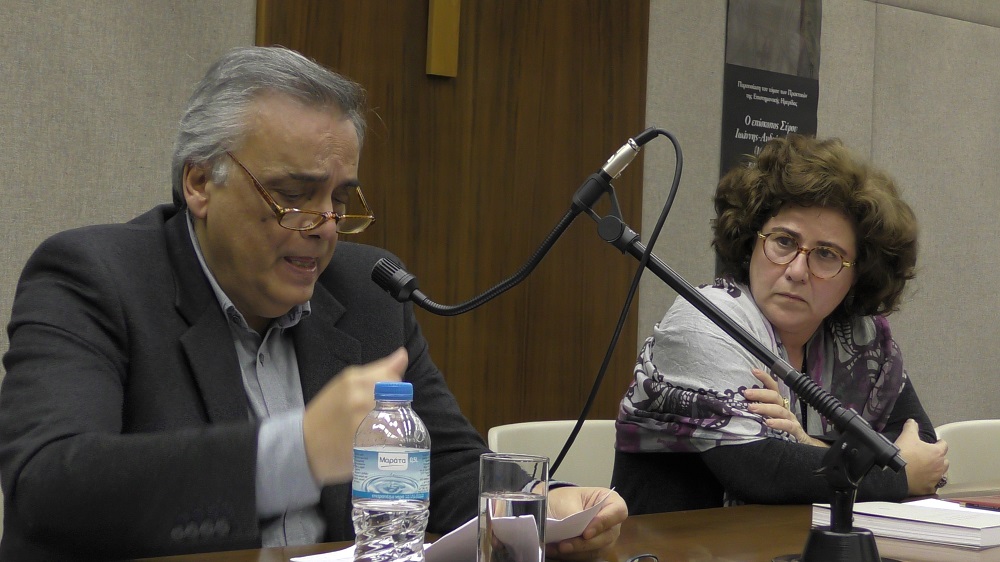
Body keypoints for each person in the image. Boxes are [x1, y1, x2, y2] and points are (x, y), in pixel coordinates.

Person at [0, 46, 625, 560]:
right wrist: (293, 453)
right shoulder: (95, 277)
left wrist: (546, 507)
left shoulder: (366, 290)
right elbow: (48, 484)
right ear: (200, 182)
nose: (325, 225)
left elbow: (448, 471)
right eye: (294, 195)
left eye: (340, 199)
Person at [612, 134, 949, 515]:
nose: (797, 271)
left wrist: (807, 445)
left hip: (794, 541)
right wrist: (897, 478)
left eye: (826, 254)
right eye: (784, 241)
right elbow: (761, 470)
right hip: (675, 543)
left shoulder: (861, 338)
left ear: (859, 273)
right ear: (753, 241)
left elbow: (919, 443)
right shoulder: (704, 321)